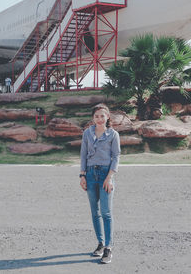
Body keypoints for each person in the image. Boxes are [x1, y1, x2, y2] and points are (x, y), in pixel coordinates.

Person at [80, 103, 120, 264]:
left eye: (102, 116)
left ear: (107, 117)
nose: (99, 119)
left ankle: (109, 248)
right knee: (94, 212)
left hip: (105, 174)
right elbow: (83, 154)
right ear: (93, 118)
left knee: (106, 212)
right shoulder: (87, 133)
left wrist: (109, 177)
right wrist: (82, 175)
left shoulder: (113, 135)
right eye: (96, 116)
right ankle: (100, 244)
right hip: (90, 174)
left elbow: (116, 157)